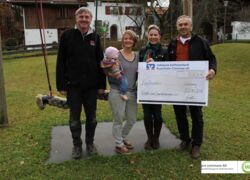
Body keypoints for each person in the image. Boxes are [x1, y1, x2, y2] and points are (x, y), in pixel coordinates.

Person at [56, 7, 106, 159]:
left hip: (91, 87)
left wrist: (102, 85)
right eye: (81, 16)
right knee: (74, 120)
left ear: (90, 19)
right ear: (76, 18)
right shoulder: (66, 36)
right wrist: (61, 86)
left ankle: (90, 144)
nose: (84, 19)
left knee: (92, 119)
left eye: (86, 16)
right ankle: (77, 146)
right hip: (74, 86)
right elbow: (60, 62)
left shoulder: (95, 37)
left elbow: (101, 63)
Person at [168, 15, 217, 158]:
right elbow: (166, 63)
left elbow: (211, 58)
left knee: (197, 115)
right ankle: (185, 140)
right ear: (177, 27)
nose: (183, 27)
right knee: (179, 114)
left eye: (186, 24)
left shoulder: (201, 42)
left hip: (195, 86)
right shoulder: (172, 44)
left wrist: (212, 70)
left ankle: (196, 144)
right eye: (180, 24)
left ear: (190, 26)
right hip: (177, 86)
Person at [108, 30, 138, 154]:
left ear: (134, 41)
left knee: (131, 119)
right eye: (125, 38)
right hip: (117, 91)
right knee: (118, 119)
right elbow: (106, 69)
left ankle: (122, 137)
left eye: (130, 39)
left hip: (132, 92)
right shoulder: (115, 55)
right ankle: (119, 144)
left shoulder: (137, 56)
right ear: (122, 40)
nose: (128, 41)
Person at [139, 25, 168, 150]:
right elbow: (138, 68)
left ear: (159, 36)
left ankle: (156, 138)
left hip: (159, 88)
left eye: (155, 35)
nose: (153, 37)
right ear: (147, 36)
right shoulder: (142, 51)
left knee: (157, 116)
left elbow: (169, 68)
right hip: (145, 88)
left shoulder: (164, 51)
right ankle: (149, 138)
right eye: (151, 35)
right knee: (146, 116)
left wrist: (156, 64)